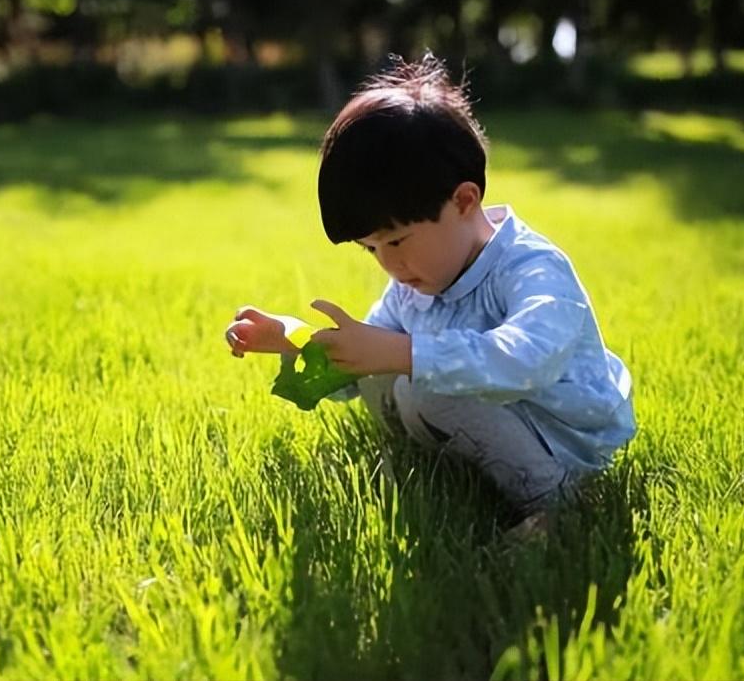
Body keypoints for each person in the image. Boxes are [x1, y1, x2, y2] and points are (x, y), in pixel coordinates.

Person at [224, 53, 635, 531]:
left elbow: (528, 360)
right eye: (370, 248)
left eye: (396, 240)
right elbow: (365, 356)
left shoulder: (532, 268)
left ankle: (556, 502)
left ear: (464, 201)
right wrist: (291, 335)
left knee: (423, 383)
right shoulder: (417, 279)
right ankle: (449, 465)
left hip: (566, 436)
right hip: (496, 416)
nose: (390, 264)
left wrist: (407, 353)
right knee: (385, 372)